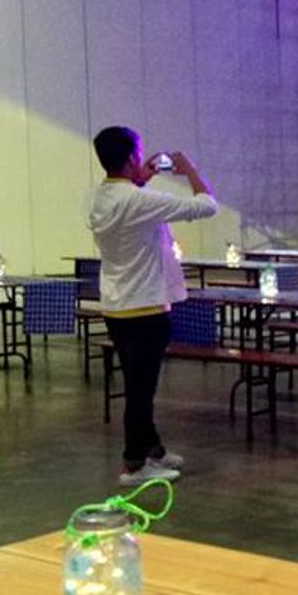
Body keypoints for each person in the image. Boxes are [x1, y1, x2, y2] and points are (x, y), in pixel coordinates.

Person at [88, 126, 218, 485]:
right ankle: (133, 463)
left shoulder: (99, 198)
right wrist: (188, 170)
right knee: (141, 391)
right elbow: (206, 205)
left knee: (138, 384)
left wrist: (139, 180)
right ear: (132, 157)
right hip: (145, 307)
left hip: (117, 305)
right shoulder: (139, 201)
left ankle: (152, 450)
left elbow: (126, 206)